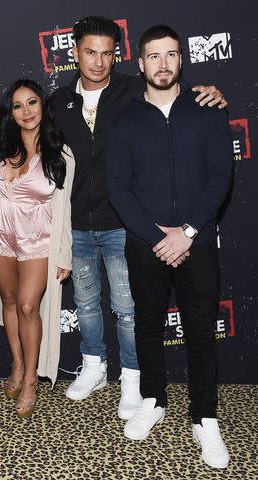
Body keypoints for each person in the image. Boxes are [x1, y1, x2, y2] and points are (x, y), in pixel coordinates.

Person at [50, 16, 227, 420]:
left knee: (131, 311)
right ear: (74, 53)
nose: (98, 61)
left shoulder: (133, 90)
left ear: (120, 57)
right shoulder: (59, 101)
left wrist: (212, 93)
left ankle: (136, 382)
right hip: (79, 222)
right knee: (87, 302)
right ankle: (96, 367)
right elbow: (34, 141)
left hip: (124, 225)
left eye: (107, 53)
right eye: (90, 52)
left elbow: (175, 98)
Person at [106, 25, 232, 469]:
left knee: (201, 331)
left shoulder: (209, 112)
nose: (162, 64)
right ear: (140, 64)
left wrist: (189, 231)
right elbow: (119, 189)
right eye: (153, 56)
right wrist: (161, 237)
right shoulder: (123, 121)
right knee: (146, 325)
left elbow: (220, 177)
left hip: (198, 241)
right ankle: (153, 400)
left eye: (171, 55)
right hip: (146, 244)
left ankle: (205, 417)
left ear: (182, 60)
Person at [0, 79, 75, 418]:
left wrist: (63, 253)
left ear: (43, 106)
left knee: (26, 306)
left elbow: (64, 209)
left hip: (38, 241)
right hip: (1, 239)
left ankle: (32, 379)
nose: (26, 111)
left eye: (32, 102)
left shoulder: (60, 154)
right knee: (8, 301)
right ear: (10, 112)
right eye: (18, 105)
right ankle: (18, 366)